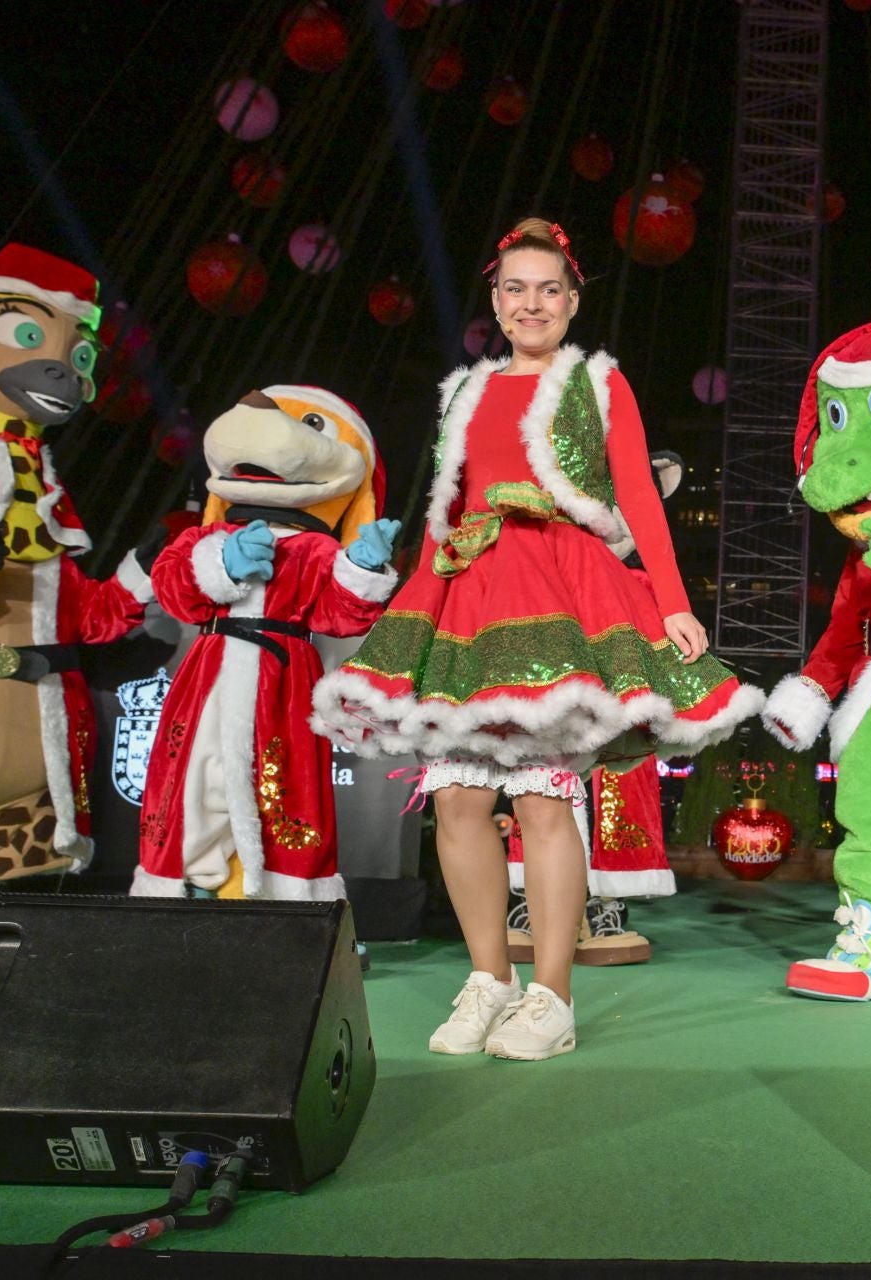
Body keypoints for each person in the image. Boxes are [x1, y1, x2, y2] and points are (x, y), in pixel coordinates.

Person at [313, 219, 760, 1060]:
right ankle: (490, 981)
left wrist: (672, 601)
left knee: (542, 799)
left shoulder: (598, 383)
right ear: (495, 301)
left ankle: (552, 996)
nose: (532, 303)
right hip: (472, 592)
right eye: (515, 288)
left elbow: (638, 495)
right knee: (456, 798)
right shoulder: (466, 391)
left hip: (559, 589)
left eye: (549, 289)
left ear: (572, 301)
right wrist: (416, 603)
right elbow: (449, 505)